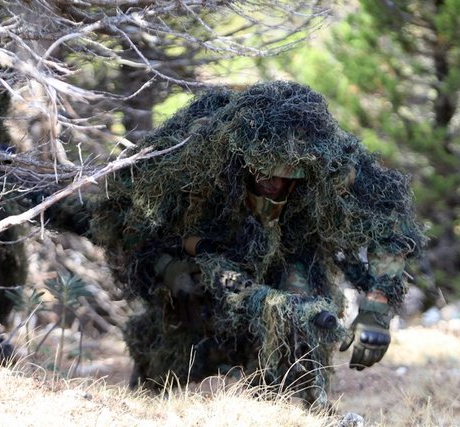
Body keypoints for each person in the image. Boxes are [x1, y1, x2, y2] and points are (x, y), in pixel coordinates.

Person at [91, 81, 424, 405]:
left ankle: (292, 403)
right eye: (264, 173)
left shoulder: (334, 163)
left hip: (292, 256)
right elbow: (130, 217)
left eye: (286, 177)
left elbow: (390, 226)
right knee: (178, 330)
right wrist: (167, 266)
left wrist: (377, 308)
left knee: (299, 317)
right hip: (200, 259)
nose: (274, 185)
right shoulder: (193, 152)